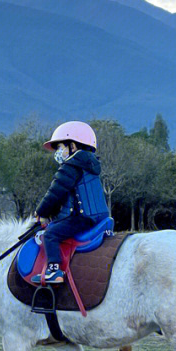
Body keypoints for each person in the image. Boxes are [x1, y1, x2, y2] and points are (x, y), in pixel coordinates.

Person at [32, 121, 110, 284]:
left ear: (73, 146)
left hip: (81, 217)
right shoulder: (90, 165)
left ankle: (54, 270)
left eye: (60, 147)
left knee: (51, 234)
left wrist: (41, 213)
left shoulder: (71, 166)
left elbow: (55, 193)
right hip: (99, 217)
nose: (58, 153)